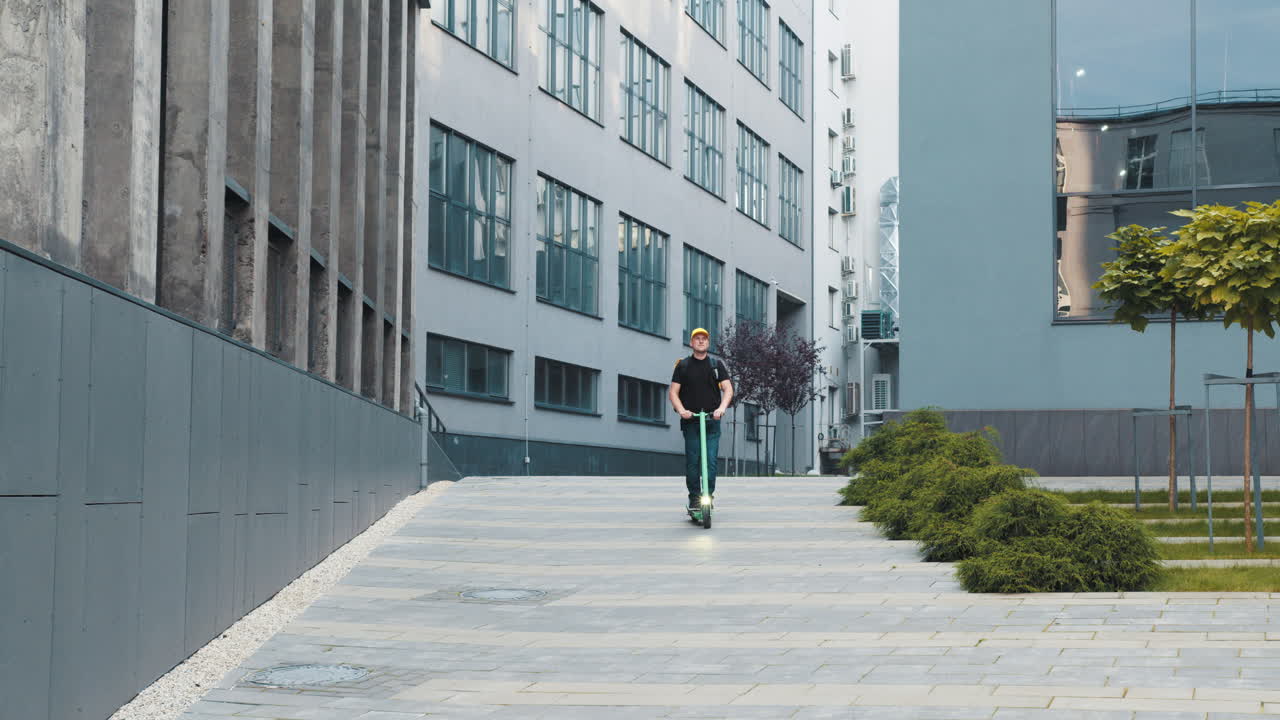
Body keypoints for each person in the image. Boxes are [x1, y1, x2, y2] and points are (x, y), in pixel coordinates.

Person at [668, 327, 734, 512]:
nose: (700, 341)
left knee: (711, 461)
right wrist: (682, 410)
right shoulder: (683, 365)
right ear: (691, 343)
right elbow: (673, 392)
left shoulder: (716, 365)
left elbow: (728, 390)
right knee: (693, 461)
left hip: (712, 421)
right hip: (691, 422)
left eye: (704, 338)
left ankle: (708, 496)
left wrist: (721, 409)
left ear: (708, 342)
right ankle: (695, 499)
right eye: (697, 338)